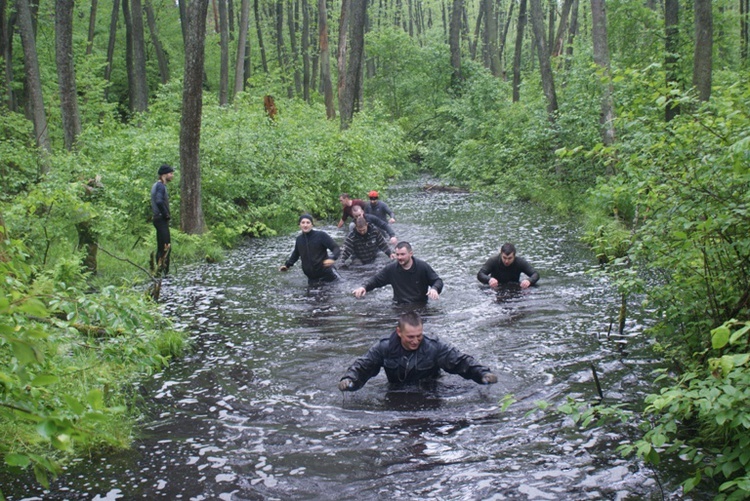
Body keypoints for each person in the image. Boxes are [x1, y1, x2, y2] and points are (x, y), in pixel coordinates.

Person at [338, 311, 497, 391]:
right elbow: (363, 366)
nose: (415, 341)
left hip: (431, 391)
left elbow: (461, 362)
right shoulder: (384, 347)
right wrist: (349, 380)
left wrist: (483, 374)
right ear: (399, 332)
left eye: (419, 336)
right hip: (396, 392)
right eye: (410, 337)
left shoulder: (434, 347)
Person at [353, 242, 443, 304]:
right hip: (399, 305)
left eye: (402, 254)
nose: (399, 257)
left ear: (410, 253)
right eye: (397, 254)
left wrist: (434, 289)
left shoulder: (422, 266)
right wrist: (364, 287)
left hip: (420, 304)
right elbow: (376, 280)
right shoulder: (391, 269)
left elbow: (437, 281)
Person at [280, 214, 341, 283]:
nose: (305, 225)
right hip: (312, 279)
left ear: (312, 225)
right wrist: (287, 265)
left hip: (329, 276)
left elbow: (336, 248)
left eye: (308, 222)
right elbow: (296, 254)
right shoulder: (299, 239)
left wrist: (332, 258)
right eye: (303, 223)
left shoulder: (321, 236)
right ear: (299, 225)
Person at [150, 164, 175, 275]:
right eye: (170, 173)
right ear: (164, 175)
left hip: (157, 219)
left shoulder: (157, 185)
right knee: (166, 247)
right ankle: (165, 273)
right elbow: (159, 201)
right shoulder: (160, 186)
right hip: (160, 219)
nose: (172, 176)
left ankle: (159, 272)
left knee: (161, 247)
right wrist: (165, 214)